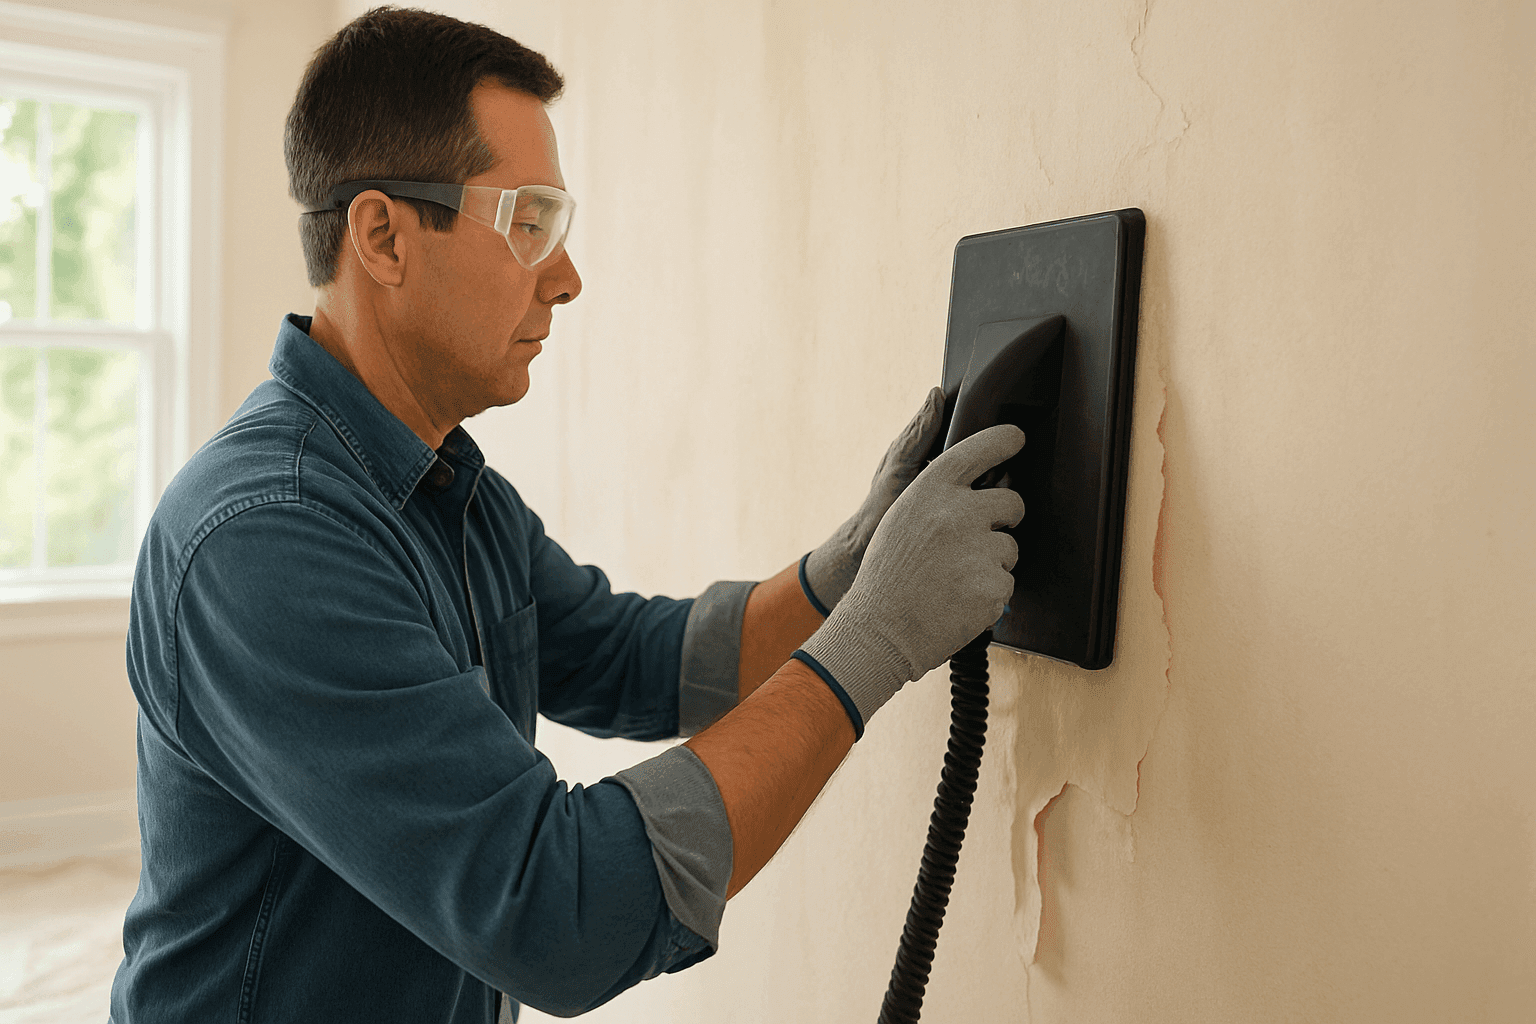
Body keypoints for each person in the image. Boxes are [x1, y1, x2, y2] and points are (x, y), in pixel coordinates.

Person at [109, 8, 1024, 1023]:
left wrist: (848, 567)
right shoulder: (265, 540)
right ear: (383, 237)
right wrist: (876, 636)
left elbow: (636, 659)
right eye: (528, 222)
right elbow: (557, 911)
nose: (567, 277)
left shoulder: (448, 491)